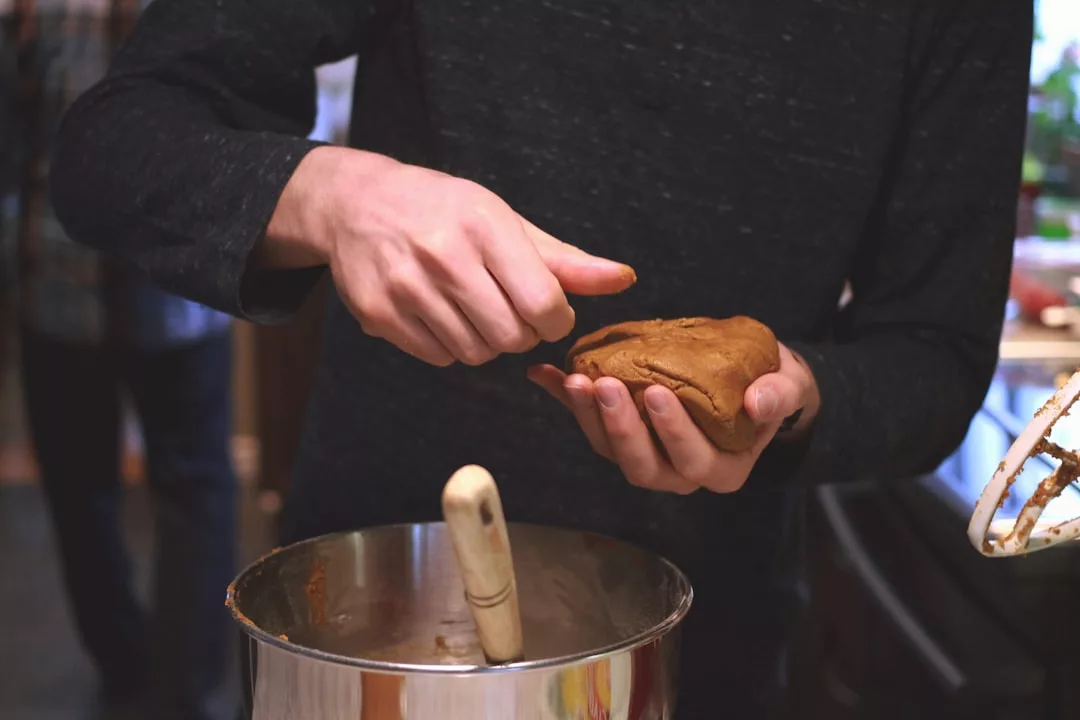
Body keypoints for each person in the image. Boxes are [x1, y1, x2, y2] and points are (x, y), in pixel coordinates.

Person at [49, 0, 1034, 716]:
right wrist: (328, 195)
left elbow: (936, 359)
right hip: (370, 635)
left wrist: (800, 400)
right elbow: (108, 147)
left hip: (704, 651)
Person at [5, 1, 237, 718]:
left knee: (92, 492)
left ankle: (135, 673)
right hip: (161, 286)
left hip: (80, 281)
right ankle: (178, 687)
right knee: (187, 489)